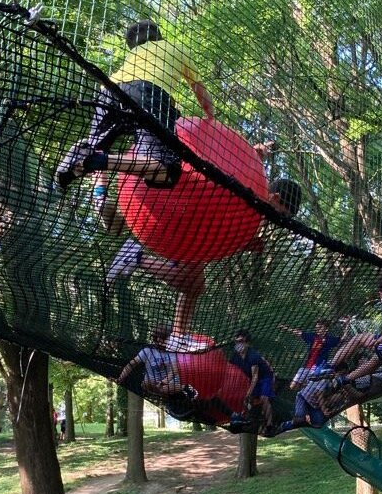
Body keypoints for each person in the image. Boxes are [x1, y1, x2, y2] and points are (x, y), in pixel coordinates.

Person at [106, 178, 303, 342]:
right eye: (282, 213)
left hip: (197, 234)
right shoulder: (253, 197)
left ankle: (178, 335)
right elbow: (222, 226)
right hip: (190, 223)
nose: (279, 219)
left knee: (194, 287)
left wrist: (245, 245)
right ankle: (136, 257)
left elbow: (225, 238)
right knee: (190, 284)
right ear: (275, 197)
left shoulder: (256, 212)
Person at [55, 19, 214, 192]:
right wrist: (211, 115)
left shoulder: (134, 53)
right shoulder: (176, 47)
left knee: (95, 146)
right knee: (168, 169)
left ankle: (97, 189)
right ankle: (98, 161)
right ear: (158, 35)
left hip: (109, 92)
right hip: (148, 92)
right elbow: (200, 92)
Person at [116, 325, 199, 400]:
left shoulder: (172, 351)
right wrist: (120, 379)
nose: (160, 342)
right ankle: (160, 393)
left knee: (163, 389)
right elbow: (131, 365)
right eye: (157, 339)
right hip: (151, 383)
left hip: (169, 383)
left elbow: (174, 370)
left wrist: (163, 382)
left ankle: (184, 388)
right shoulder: (148, 351)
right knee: (146, 384)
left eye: (163, 339)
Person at [229, 329, 276, 432]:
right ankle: (245, 419)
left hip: (264, 378)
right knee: (245, 398)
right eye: (237, 342)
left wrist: (248, 393)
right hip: (249, 379)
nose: (239, 344)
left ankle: (269, 425)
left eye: (241, 342)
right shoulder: (235, 356)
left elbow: (255, 376)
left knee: (264, 398)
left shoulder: (253, 356)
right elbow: (230, 369)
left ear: (247, 343)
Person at [280, 319, 340, 390]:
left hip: (317, 367)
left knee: (311, 387)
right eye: (316, 328)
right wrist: (285, 328)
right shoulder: (313, 336)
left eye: (320, 327)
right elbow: (299, 333)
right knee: (293, 385)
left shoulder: (330, 339)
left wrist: (347, 326)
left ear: (326, 329)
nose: (317, 329)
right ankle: (304, 388)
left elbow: (342, 339)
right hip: (307, 365)